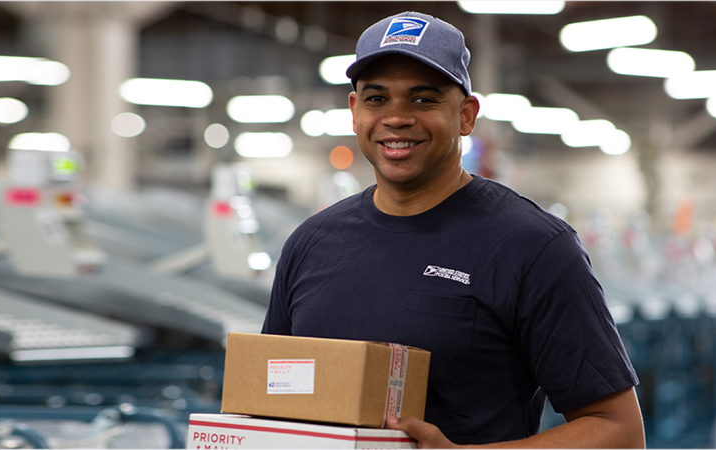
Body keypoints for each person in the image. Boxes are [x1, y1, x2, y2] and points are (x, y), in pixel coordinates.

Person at [261, 11, 645, 448]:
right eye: (377, 99)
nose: (397, 118)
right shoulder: (311, 243)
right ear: (354, 111)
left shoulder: (532, 246)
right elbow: (271, 394)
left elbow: (620, 432)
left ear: (466, 115)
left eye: (423, 100)